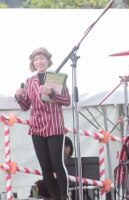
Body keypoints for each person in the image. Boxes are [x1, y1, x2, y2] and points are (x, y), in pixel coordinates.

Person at [16, 47, 71, 200]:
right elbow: (26, 106)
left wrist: (51, 93)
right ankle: (53, 196)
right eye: (36, 59)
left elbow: (67, 101)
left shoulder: (56, 78)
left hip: (54, 124)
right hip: (37, 126)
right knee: (45, 166)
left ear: (47, 61)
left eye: (42, 58)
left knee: (57, 163)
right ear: (33, 63)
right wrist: (19, 96)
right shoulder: (29, 81)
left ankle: (63, 196)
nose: (39, 62)